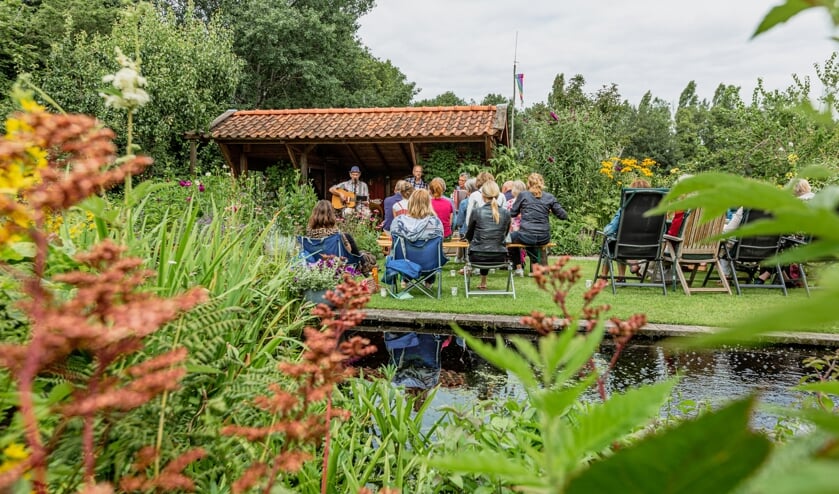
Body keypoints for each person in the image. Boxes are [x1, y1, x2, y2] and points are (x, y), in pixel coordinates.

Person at [509, 173, 568, 272]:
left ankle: (518, 267)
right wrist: (549, 210)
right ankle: (535, 265)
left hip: (526, 236)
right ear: (542, 183)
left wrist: (522, 209)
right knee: (530, 237)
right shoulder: (549, 197)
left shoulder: (523, 195)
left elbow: (513, 213)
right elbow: (563, 215)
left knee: (510, 238)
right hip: (544, 237)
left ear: (528, 183)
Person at [390, 189, 444, 287]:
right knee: (431, 252)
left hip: (404, 264)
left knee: (404, 250)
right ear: (428, 203)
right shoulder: (435, 223)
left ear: (410, 202)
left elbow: (394, 244)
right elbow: (440, 244)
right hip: (429, 264)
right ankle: (429, 280)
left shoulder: (398, 222)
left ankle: (405, 278)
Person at [305, 200, 376, 274]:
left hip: (317, 264)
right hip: (337, 262)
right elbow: (349, 250)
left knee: (364, 255)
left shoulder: (309, 235)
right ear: (331, 214)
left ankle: (365, 263)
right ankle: (364, 265)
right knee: (365, 255)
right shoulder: (337, 235)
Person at [599, 179, 651, 280]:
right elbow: (663, 230)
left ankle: (604, 276)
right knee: (618, 242)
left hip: (625, 247)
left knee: (610, 242)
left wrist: (605, 230)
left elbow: (609, 231)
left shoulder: (625, 209)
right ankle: (624, 273)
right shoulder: (655, 211)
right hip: (648, 249)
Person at [466, 181, 512, 290]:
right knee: (487, 246)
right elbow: (505, 235)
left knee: (483, 248)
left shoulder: (477, 211)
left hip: (477, 256)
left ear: (482, 195)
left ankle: (482, 282)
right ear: (498, 194)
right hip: (499, 257)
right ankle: (483, 283)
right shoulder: (506, 213)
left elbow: (469, 235)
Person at [504, 180, 527, 275]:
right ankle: (522, 262)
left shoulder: (509, 202)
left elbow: (507, 218)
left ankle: (518, 267)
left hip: (513, 230)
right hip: (526, 230)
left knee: (511, 244)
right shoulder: (528, 202)